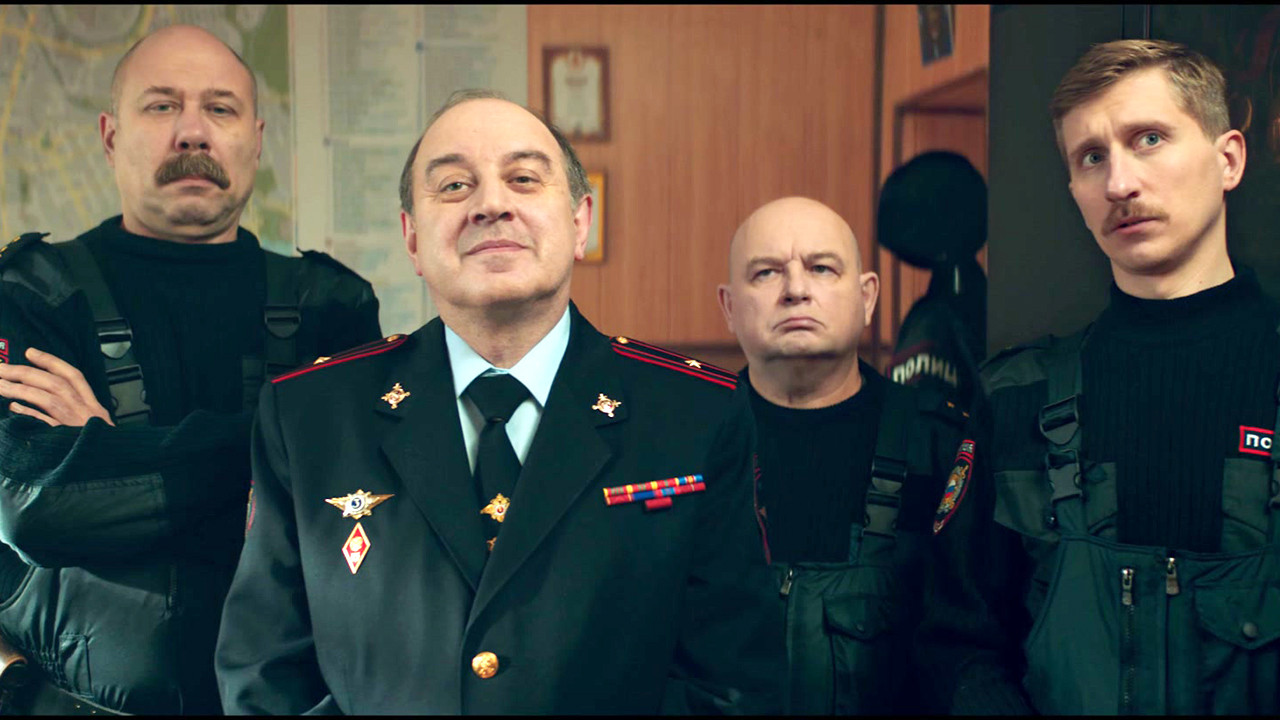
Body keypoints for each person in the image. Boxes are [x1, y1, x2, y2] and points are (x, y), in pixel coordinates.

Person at [213, 89, 780, 715]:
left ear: (580, 222)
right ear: (412, 238)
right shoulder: (310, 417)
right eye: (454, 186)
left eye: (524, 178)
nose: (490, 204)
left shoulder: (695, 414)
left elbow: (732, 681)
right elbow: (263, 674)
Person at [0, 25, 381, 715]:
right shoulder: (30, 293)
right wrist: (281, 458)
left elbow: (347, 520)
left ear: (255, 139)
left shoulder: (331, 305)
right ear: (110, 135)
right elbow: (36, 510)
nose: (192, 133)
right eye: (162, 105)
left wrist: (109, 452)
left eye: (220, 108)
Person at [917, 39, 1280, 715]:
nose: (1119, 184)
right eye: (1091, 157)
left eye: (1149, 139)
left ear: (1228, 159)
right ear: (1075, 193)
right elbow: (958, 641)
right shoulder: (1016, 399)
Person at [715, 197, 966, 714]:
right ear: (730, 306)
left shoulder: (938, 443)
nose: (796, 290)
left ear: (867, 297)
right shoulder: (685, 441)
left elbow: (970, 646)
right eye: (766, 273)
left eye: (822, 268)